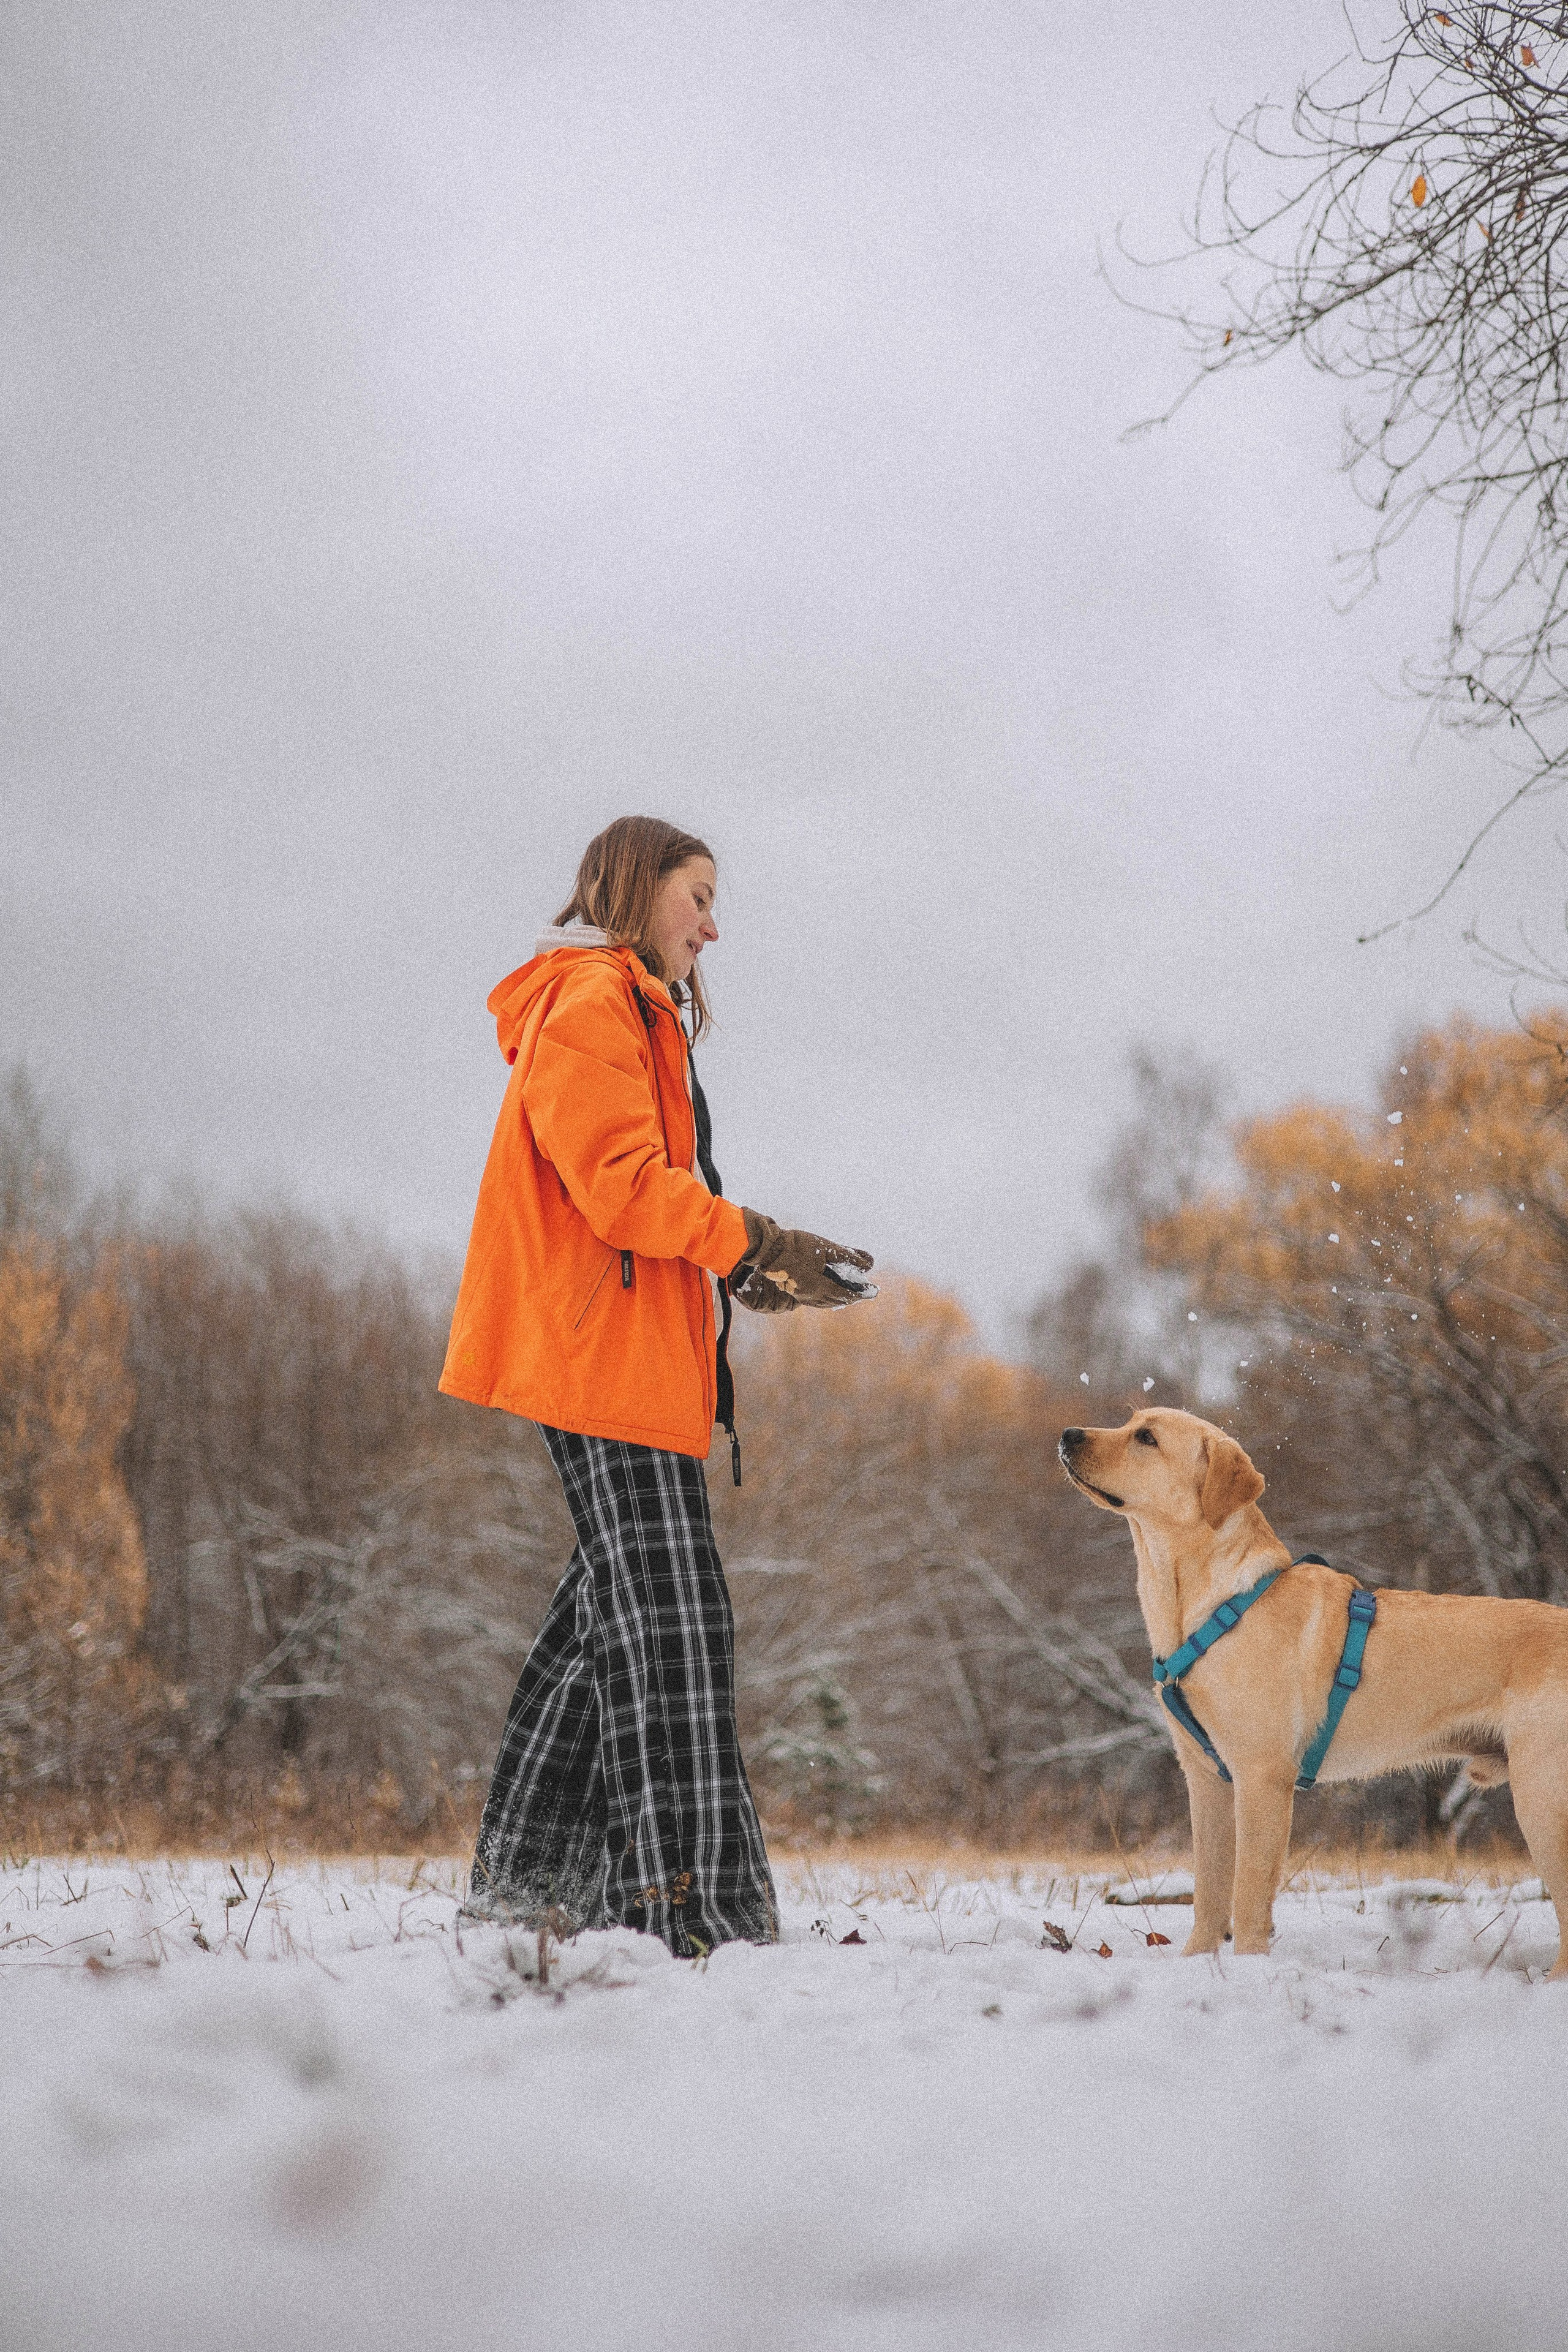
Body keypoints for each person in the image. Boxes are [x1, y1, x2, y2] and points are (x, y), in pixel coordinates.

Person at [440, 816, 876, 1954]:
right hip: (598, 1364)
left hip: (627, 1360)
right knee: (673, 1620)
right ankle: (695, 1912)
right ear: (639, 891)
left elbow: (643, 1208)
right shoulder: (591, 1006)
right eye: (699, 897)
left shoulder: (634, 1013)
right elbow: (624, 1191)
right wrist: (754, 1242)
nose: (713, 925)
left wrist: (744, 1270)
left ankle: (527, 1887)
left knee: (607, 1620)